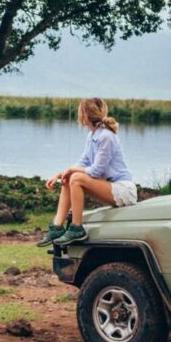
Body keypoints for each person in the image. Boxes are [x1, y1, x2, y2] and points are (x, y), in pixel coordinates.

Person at [37, 97, 137, 247]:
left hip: (123, 190)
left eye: (80, 112)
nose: (79, 116)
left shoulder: (106, 137)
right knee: (69, 177)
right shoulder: (92, 136)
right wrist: (61, 174)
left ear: (86, 115)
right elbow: (83, 163)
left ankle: (77, 228)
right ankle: (57, 227)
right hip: (109, 186)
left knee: (76, 178)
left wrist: (72, 171)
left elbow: (96, 171)